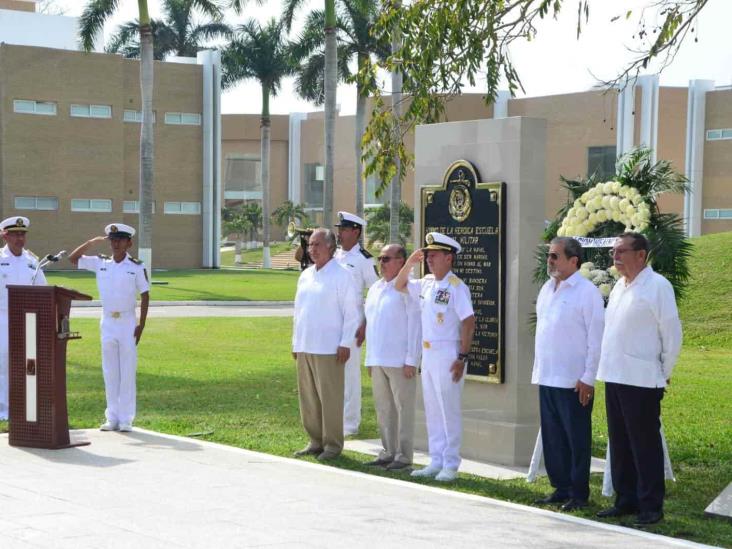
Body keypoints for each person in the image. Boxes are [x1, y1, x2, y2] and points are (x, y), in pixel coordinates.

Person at [596, 232, 682, 526]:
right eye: (613, 252)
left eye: (621, 251)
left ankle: (650, 505)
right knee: (619, 442)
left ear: (641, 255)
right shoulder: (620, 286)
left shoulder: (658, 286)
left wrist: (664, 371)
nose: (615, 257)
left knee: (644, 443)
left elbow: (672, 334)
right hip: (615, 374)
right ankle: (626, 499)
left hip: (643, 378)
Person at [395, 232, 475, 482]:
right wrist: (409, 263)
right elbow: (399, 285)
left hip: (448, 352)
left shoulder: (457, 287)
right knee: (432, 409)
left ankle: (451, 463)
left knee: (448, 409)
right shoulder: (426, 283)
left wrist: (462, 356)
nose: (429, 259)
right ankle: (436, 459)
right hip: (428, 353)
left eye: (434, 255)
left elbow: (469, 321)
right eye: (427, 255)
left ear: (449, 258)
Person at [532, 237, 604, 511]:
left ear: (574, 261)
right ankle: (561, 487)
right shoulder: (547, 289)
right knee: (553, 438)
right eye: (549, 255)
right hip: (548, 375)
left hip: (574, 380)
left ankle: (579, 493)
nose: (550, 261)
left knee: (576, 439)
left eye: (555, 256)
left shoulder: (587, 292)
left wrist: (589, 376)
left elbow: (595, 339)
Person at [69, 223, 150, 432]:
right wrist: (91, 243)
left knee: (127, 370)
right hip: (107, 321)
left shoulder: (136, 266)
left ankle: (126, 419)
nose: (115, 244)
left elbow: (145, 295)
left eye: (120, 240)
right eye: (113, 240)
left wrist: (141, 324)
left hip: (127, 322)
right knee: (110, 371)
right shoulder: (101, 263)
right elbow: (73, 259)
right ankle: (112, 417)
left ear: (129, 243)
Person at [292, 228, 360, 461]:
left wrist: (345, 343)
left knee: (330, 398)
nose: (312, 249)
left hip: (329, 348)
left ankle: (332, 445)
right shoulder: (306, 275)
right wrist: (296, 342)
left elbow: (352, 313)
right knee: (309, 398)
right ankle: (315, 440)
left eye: (317, 245)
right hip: (306, 345)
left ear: (331, 247)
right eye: (310, 245)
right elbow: (298, 312)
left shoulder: (342, 275)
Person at [364, 244, 421, 471]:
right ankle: (388, 451)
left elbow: (415, 325)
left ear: (401, 261)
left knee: (403, 407)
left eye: (386, 258)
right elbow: (372, 324)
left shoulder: (408, 288)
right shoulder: (376, 288)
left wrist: (411, 359)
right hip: (378, 358)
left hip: (399, 360)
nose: (382, 262)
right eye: (380, 258)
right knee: (384, 408)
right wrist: (369, 358)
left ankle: (404, 455)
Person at [334, 211, 378, 436]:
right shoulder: (335, 255)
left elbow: (376, 291)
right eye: (339, 229)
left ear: (356, 232)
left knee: (350, 374)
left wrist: (366, 324)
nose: (339, 233)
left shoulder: (364, 260)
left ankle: (350, 423)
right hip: (332, 321)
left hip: (353, 324)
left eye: (343, 229)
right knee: (333, 372)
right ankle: (333, 418)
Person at [0, 216, 47, 420]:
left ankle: (25, 405)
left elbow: (43, 290)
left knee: (28, 365)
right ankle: (4, 409)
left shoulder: (32, 262)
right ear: (5, 235)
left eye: (22, 234)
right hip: (3, 318)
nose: (20, 238)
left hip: (28, 320)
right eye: (15, 234)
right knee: (3, 364)